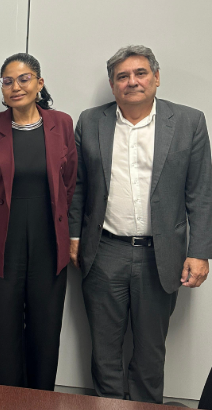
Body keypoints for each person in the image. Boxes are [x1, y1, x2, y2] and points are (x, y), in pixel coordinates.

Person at [69, 45, 212, 403]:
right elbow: (78, 186)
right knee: (104, 352)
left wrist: (200, 252)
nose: (132, 81)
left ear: (156, 78)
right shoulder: (90, 121)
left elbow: (201, 193)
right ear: (112, 84)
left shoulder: (189, 122)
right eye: (122, 76)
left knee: (150, 355)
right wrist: (74, 236)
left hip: (160, 256)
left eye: (140, 73)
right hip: (104, 253)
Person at [0, 53, 77, 389]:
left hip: (50, 239)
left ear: (39, 83)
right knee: (3, 328)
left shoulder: (62, 123)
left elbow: (70, 183)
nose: (15, 87)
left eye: (24, 79)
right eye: (7, 81)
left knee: (46, 328)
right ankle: (6, 400)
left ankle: (41, 398)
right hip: (4, 241)